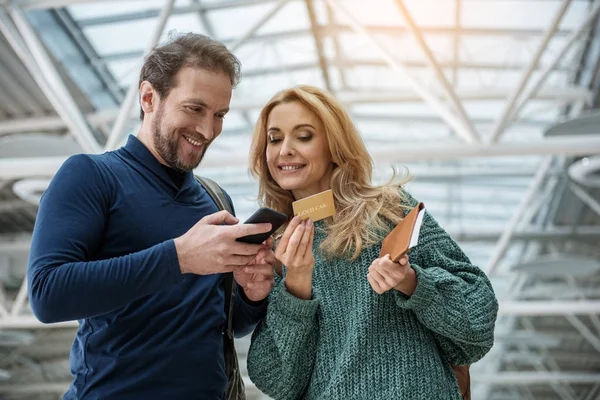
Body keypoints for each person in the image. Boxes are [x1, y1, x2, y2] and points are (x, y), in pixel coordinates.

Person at [27, 33, 275, 399]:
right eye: (194, 109)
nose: (208, 130)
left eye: (219, 115)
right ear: (148, 98)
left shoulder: (215, 200)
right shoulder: (92, 175)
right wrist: (180, 257)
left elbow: (219, 324)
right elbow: (47, 294)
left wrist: (253, 297)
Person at [245, 85, 499, 399]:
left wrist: (412, 283)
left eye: (304, 136)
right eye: (274, 138)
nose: (285, 150)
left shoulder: (390, 209)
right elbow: (279, 382)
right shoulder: (271, 250)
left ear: (333, 146)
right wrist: (296, 285)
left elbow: (478, 317)